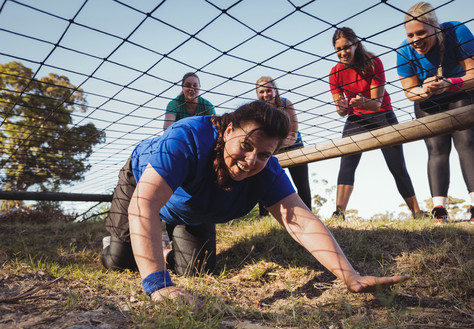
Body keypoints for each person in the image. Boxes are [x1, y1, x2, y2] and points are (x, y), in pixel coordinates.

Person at [102, 101, 408, 304]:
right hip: (142, 184)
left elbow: (300, 220)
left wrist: (349, 276)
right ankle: (114, 242)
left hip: (192, 209)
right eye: (246, 146)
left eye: (264, 154)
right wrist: (157, 285)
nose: (251, 161)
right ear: (229, 129)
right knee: (119, 260)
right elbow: (144, 204)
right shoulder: (185, 138)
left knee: (196, 270)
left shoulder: (267, 171)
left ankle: (166, 248)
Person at [396, 2, 474, 224]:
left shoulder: (457, 32)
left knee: (466, 141)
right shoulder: (403, 51)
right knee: (436, 149)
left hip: (463, 91)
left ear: (435, 28)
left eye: (421, 32)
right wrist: (425, 89)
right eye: (410, 35)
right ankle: (439, 210)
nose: (415, 40)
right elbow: (410, 91)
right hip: (430, 101)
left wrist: (449, 83)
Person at [329, 27, 424, 220]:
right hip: (356, 117)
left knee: (396, 165)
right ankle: (339, 213)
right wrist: (344, 106)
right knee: (347, 162)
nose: (343, 53)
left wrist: (362, 101)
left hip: (382, 113)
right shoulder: (335, 73)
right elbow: (340, 111)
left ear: (355, 44)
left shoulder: (373, 62)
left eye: (346, 47)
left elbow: (376, 103)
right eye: (338, 49)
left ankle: (417, 212)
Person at [255, 76, 311, 217]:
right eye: (261, 92)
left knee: (302, 184)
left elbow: (293, 134)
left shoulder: (286, 104)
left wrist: (276, 144)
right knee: (262, 179)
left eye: (269, 90)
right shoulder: (257, 111)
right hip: (271, 150)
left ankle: (309, 214)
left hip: (293, 147)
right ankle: (263, 217)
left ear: (275, 91)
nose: (265, 94)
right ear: (257, 94)